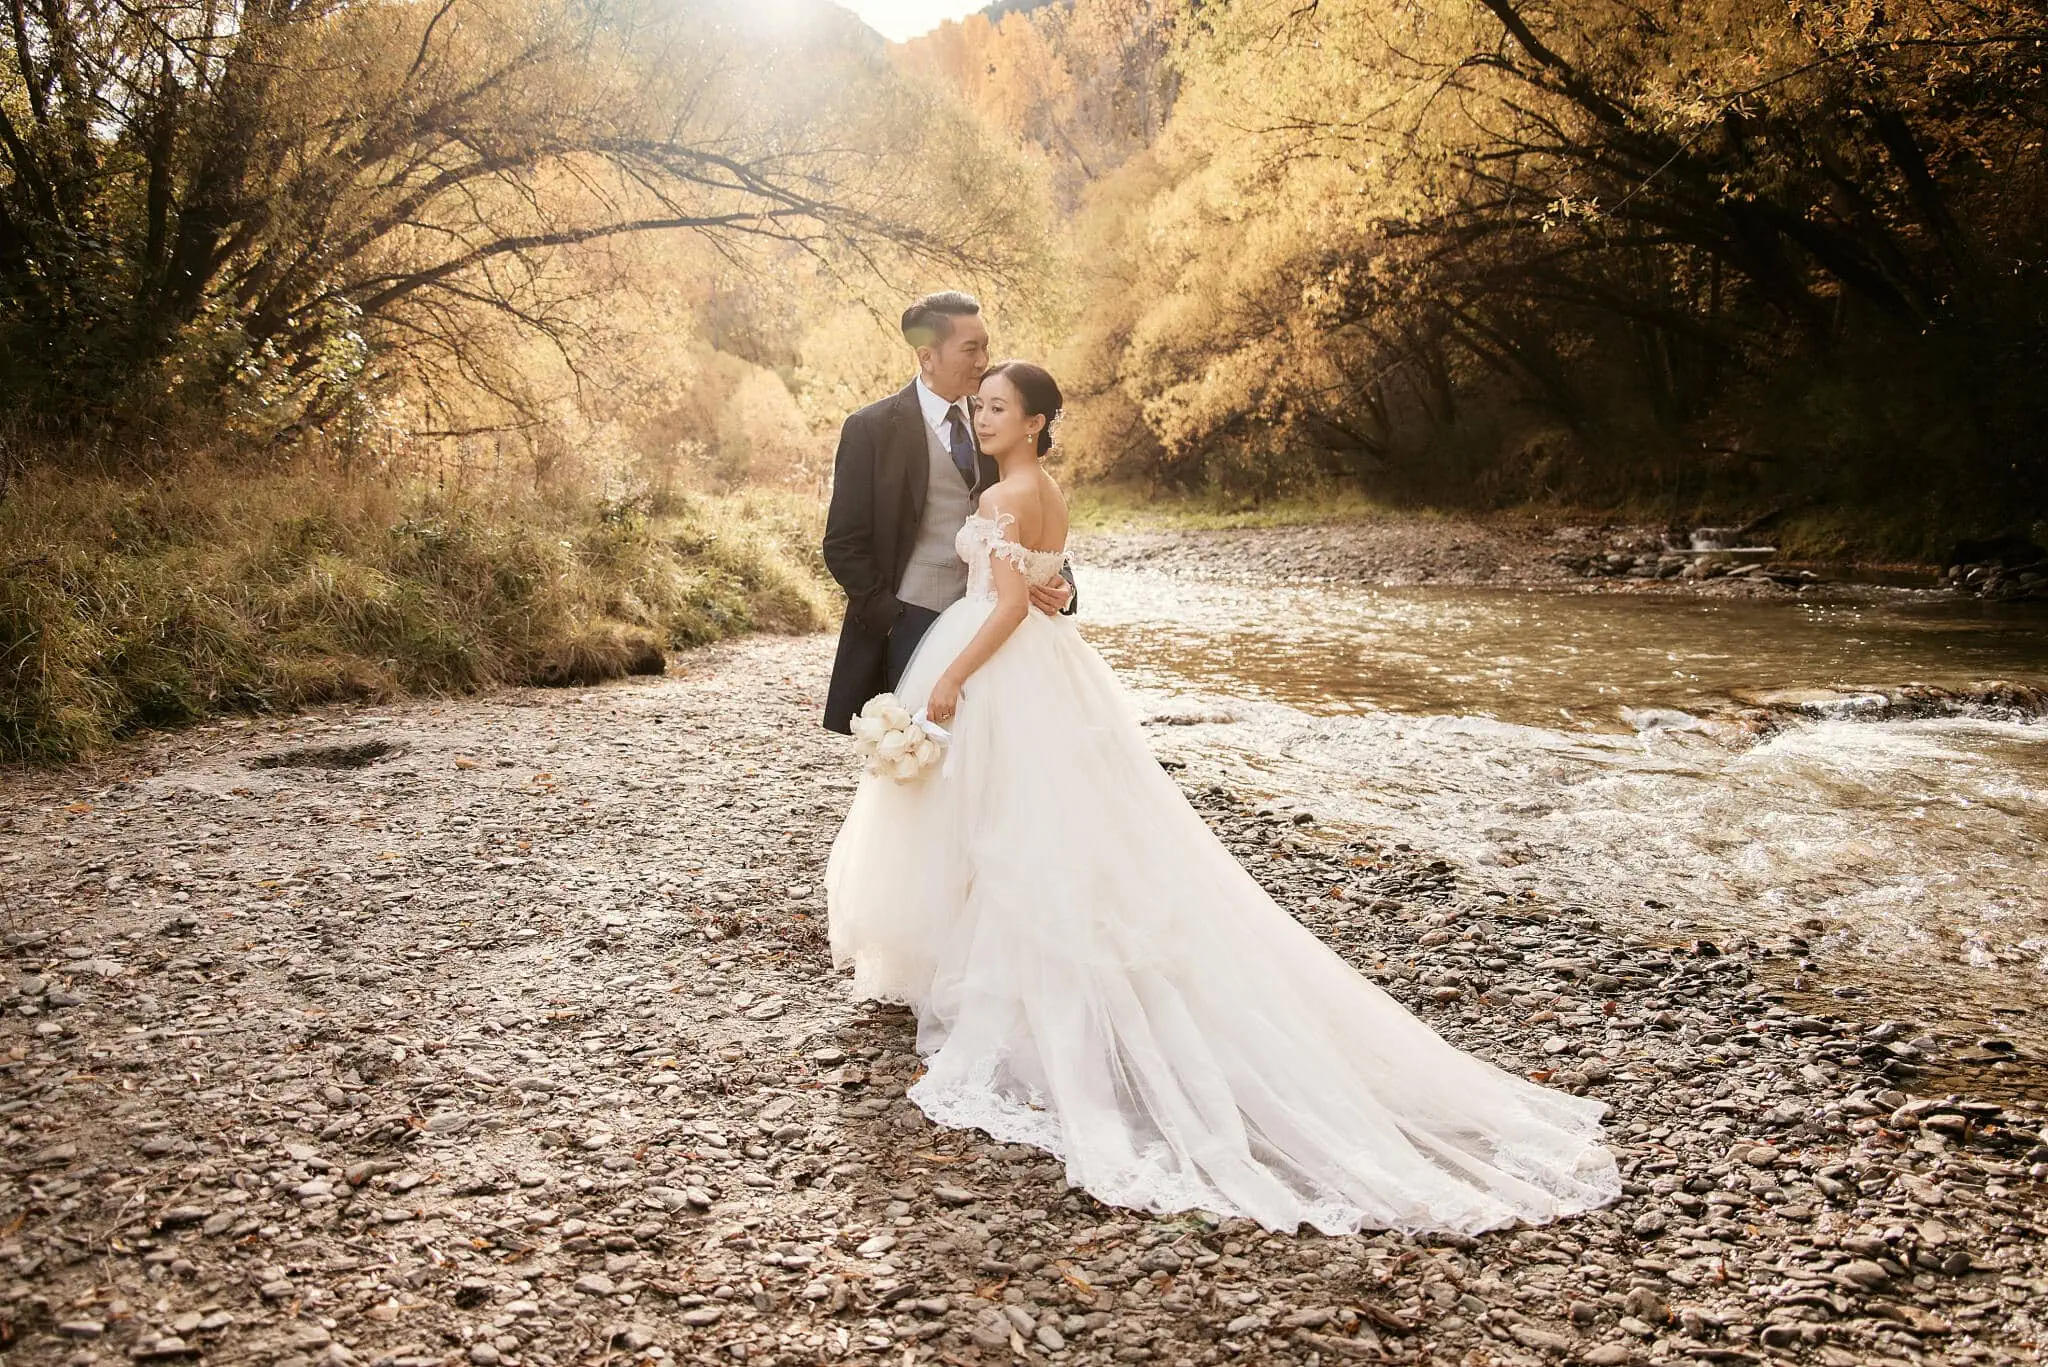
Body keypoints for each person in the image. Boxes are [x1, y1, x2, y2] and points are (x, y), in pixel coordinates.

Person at [824, 360, 1622, 1236]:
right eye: (980, 407)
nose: (983, 417)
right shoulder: (1044, 490)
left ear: (1039, 421)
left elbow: (1009, 606)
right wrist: (1033, 598)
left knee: (1006, 828)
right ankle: (1004, 978)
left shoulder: (1000, 501)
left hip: (1001, 667)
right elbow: (1049, 592)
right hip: (1051, 672)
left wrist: (951, 682)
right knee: (1044, 827)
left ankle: (1005, 998)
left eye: (999, 408)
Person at [819, 291, 1073, 734]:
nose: (983, 360)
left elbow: (1028, 514)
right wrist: (890, 618)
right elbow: (843, 543)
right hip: (910, 620)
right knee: (921, 755)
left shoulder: (1000, 420)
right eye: (970, 349)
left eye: (986, 346)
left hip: (998, 631)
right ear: (927, 356)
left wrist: (1061, 581)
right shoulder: (871, 429)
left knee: (990, 754)